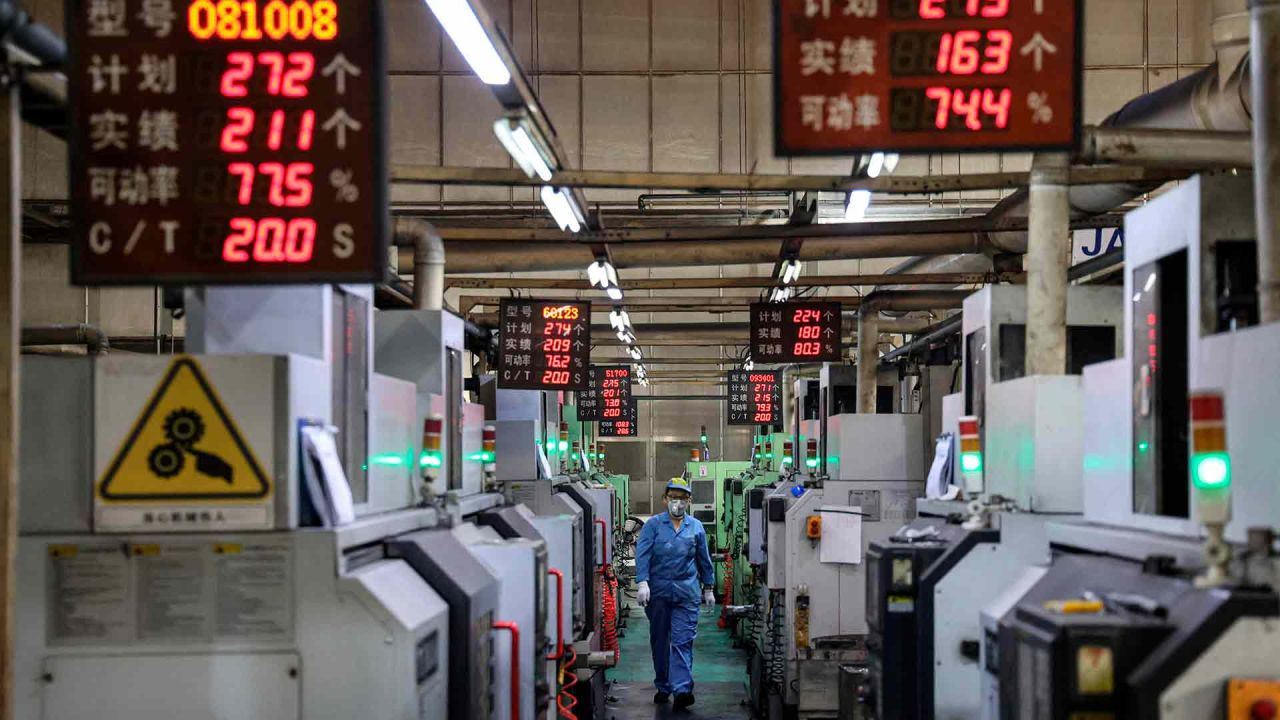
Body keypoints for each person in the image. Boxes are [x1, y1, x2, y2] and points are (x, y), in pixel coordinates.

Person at [635, 477, 716, 709]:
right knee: (660, 641)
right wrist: (643, 582)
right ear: (665, 499)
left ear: (689, 501)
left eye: (682, 498)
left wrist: (708, 588)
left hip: (686, 593)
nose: (677, 503)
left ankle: (682, 689)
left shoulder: (696, 527)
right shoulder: (653, 525)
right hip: (658, 593)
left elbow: (704, 559)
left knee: (682, 640)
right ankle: (663, 685)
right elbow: (643, 554)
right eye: (673, 498)